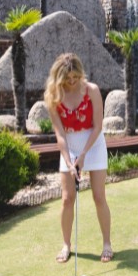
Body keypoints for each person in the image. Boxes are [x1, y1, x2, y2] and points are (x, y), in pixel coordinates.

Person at [45, 53, 113, 264]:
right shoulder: (53, 97)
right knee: (67, 199)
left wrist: (83, 155)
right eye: (68, 79)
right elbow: (60, 135)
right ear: (59, 77)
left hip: (93, 144)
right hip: (69, 146)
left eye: (75, 77)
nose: (72, 82)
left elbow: (98, 126)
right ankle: (66, 245)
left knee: (99, 196)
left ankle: (107, 243)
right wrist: (68, 160)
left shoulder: (91, 90)